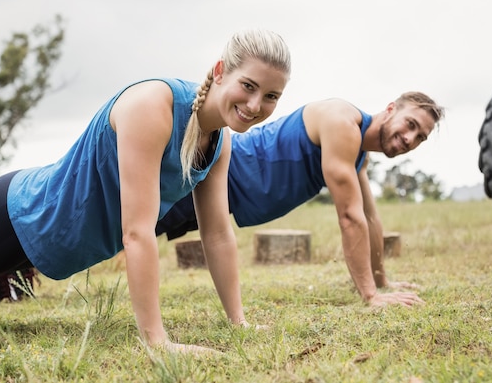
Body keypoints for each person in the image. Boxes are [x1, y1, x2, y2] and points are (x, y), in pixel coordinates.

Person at [0, 28, 292, 353]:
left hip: (43, 247)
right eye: (248, 86)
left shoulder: (219, 142)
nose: (255, 105)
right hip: (18, 215)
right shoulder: (154, 107)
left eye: (271, 96)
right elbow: (137, 232)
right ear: (219, 71)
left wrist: (238, 322)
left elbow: (216, 234)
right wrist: (158, 342)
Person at [156, 93, 444, 307]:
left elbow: (370, 217)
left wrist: (381, 281)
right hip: (220, 171)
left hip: (228, 197)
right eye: (410, 124)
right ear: (391, 109)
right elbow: (350, 218)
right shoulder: (343, 123)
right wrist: (370, 296)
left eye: (420, 137)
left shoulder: (359, 155)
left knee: (135, 228)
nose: (410, 138)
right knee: (124, 224)